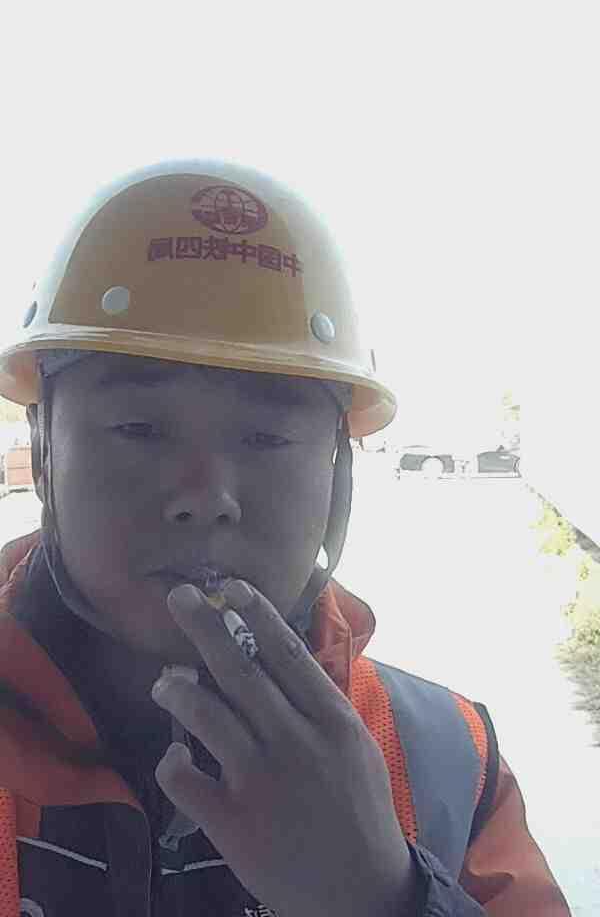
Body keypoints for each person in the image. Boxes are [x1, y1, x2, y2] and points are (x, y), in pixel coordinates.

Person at [0, 161, 570, 917]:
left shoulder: (447, 760)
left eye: (266, 438)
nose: (207, 499)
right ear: (43, 449)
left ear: (338, 466)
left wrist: (387, 896)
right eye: (139, 429)